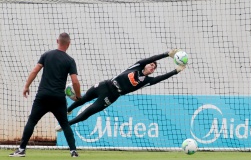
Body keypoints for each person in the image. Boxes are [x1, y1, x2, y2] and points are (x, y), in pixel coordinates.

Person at [55, 49, 186, 132]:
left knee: (89, 111)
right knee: (83, 99)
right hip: (105, 85)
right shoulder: (138, 65)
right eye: (152, 64)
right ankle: (68, 110)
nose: (152, 67)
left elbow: (161, 78)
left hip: (112, 95)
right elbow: (152, 58)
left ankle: (66, 124)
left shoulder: (146, 81)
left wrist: (175, 71)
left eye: (154, 68)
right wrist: (167, 54)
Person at [9, 33, 82, 157]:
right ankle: (73, 151)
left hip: (43, 96)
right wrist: (79, 97)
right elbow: (75, 81)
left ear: (57, 40)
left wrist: (26, 86)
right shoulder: (70, 60)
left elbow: (35, 70)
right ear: (69, 44)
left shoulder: (47, 55)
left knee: (32, 121)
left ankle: (21, 150)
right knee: (64, 124)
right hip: (58, 98)